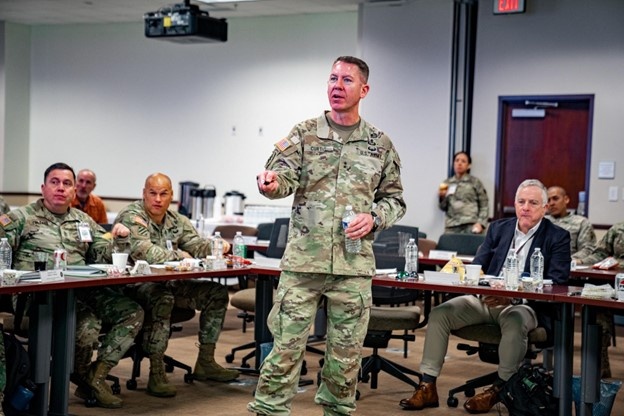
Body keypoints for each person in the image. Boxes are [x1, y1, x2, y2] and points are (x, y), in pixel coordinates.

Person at [247, 56, 406, 416]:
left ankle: (337, 410)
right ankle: (269, 409)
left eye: (347, 80)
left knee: (345, 355)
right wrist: (270, 184)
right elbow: (280, 179)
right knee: (285, 347)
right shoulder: (304, 133)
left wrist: (374, 217)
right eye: (332, 78)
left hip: (352, 266)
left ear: (363, 90)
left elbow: (395, 199)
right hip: (304, 264)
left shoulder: (380, 144)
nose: (337, 85)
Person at [400, 179, 570, 413]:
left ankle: (499, 389)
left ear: (544, 208)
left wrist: (513, 297)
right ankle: (427, 385)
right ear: (515, 204)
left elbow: (557, 282)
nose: (526, 207)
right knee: (441, 313)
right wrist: (479, 284)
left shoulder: (557, 236)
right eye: (521, 202)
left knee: (515, 320)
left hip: (524, 305)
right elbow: (479, 265)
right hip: (487, 300)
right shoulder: (499, 228)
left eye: (533, 202)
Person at [0, 162, 144, 409]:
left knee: (132, 312)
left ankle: (94, 377)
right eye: (54, 182)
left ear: (74, 190)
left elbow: (102, 252)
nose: (60, 188)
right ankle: (47, 392)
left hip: (79, 291)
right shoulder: (21, 218)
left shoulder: (83, 220)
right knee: (86, 326)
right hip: (36, 296)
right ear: (43, 188)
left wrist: (120, 238)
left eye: (67, 183)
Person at [114, 173, 238, 398]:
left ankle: (206, 362)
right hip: (135, 285)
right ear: (144, 194)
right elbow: (148, 253)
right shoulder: (132, 216)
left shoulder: (176, 219)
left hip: (170, 282)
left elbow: (195, 243)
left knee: (217, 293)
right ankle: (156, 371)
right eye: (152, 193)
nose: (158, 199)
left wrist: (216, 246)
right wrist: (180, 255)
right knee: (163, 298)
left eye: (163, 194)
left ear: (172, 196)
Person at [575, 220, 624, 378]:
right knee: (594, 306)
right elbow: (599, 254)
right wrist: (581, 262)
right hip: (616, 288)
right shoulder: (618, 228)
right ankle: (599, 368)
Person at [438, 151, 489, 234]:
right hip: (452, 226)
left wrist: (481, 223)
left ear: (469, 165)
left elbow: (484, 205)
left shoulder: (475, 182)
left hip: (471, 225)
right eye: (457, 160)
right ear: (453, 163)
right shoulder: (446, 183)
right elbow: (443, 207)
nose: (459, 163)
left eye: (463, 161)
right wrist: (442, 197)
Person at [546, 185, 596, 261]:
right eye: (548, 200)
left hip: (569, 266)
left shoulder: (581, 222)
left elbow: (588, 249)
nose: (551, 203)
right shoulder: (541, 221)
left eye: (555, 199)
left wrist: (565, 261)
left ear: (566, 199)